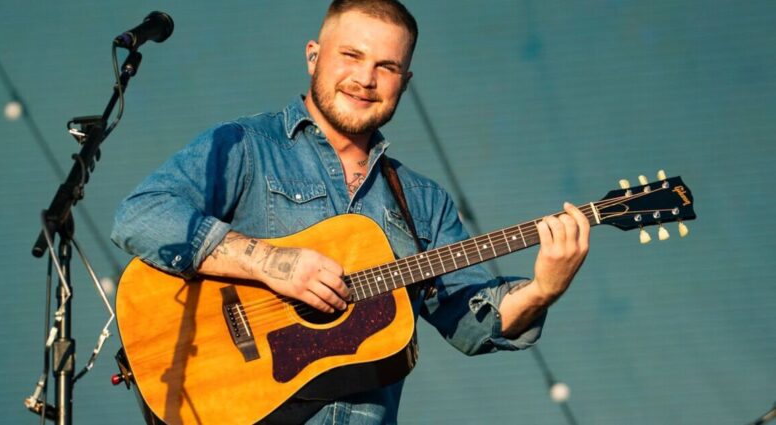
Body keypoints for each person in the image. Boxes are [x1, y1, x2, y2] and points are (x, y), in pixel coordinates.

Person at [111, 0, 590, 423]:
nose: (366, 79)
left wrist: (543, 289)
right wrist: (271, 262)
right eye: (352, 56)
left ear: (405, 81)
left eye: (387, 66)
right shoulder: (245, 145)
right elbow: (142, 215)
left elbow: (471, 324)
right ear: (313, 56)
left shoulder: (423, 203)